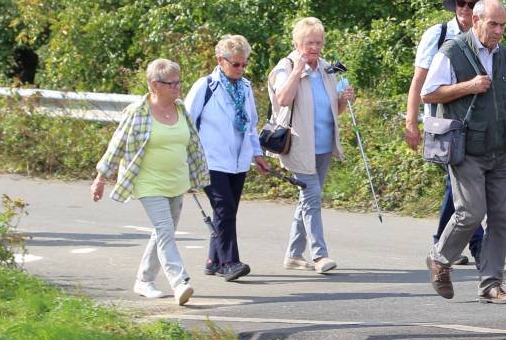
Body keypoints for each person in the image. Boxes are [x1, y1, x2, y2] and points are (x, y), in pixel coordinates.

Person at [422, 0, 506, 303]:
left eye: (502, 25)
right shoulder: (452, 52)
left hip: (500, 147)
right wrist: (468, 86)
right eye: (493, 24)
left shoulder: (505, 55)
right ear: (476, 21)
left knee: (501, 217)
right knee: (471, 211)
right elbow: (428, 93)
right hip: (466, 147)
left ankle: (491, 283)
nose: (498, 30)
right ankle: (439, 257)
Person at [90, 58, 209, 306]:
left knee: (163, 232)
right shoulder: (138, 112)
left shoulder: (180, 109)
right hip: (148, 182)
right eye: (171, 83)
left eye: (179, 81)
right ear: (155, 84)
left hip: (176, 181)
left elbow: (192, 144)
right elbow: (117, 146)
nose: (178, 87)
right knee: (165, 230)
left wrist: (198, 175)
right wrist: (101, 178)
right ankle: (180, 282)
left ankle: (144, 280)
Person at [404, 0, 487, 266]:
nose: (465, 9)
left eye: (472, 4)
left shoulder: (483, 37)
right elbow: (420, 82)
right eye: (461, 3)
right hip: (443, 124)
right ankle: (478, 246)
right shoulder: (438, 34)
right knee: (461, 180)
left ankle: (442, 238)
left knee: (458, 184)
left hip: (475, 125)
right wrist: (411, 122)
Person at [269, 17, 353, 274]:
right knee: (312, 198)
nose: (314, 48)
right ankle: (320, 255)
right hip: (298, 144)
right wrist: (298, 71)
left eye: (318, 43)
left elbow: (333, 110)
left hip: (324, 144)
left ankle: (294, 255)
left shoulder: (326, 69)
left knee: (308, 199)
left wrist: (344, 99)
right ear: (297, 43)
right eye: (308, 43)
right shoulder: (286, 66)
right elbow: (283, 99)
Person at [185, 34, 269, 282]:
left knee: (226, 211)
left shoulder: (245, 87)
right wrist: (186, 159)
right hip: (210, 159)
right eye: (236, 64)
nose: (241, 69)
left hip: (238, 161)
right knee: (225, 208)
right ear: (220, 60)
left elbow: (251, 125)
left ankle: (213, 260)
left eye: (244, 64)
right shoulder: (205, 86)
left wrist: (257, 154)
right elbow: (187, 122)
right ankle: (229, 262)